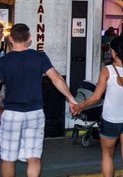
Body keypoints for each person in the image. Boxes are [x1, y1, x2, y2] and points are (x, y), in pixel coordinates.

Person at [0, 23, 77, 177]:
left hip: (11, 113)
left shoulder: (4, 61)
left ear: (11, 39)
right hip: (35, 113)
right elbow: (56, 78)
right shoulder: (39, 57)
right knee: (34, 157)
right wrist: (70, 99)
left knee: (7, 158)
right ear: (29, 39)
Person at [72, 36, 123, 177]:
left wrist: (80, 106)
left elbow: (95, 98)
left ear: (113, 52)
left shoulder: (107, 71)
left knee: (107, 156)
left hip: (110, 120)